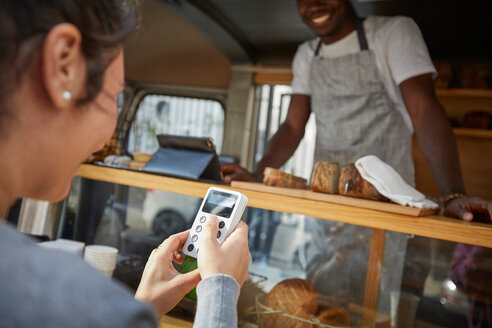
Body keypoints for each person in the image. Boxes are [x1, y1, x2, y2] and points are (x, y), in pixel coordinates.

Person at [221, 0, 492, 310]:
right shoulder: (307, 55)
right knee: (321, 305)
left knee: (373, 307)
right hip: (329, 213)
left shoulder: (393, 33)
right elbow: (292, 127)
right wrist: (259, 174)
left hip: (385, 213)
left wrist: (453, 195)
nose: (314, 4)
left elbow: (423, 110)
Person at [0, 1, 250, 327]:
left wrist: (146, 304)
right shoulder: (66, 303)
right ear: (63, 64)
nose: (107, 138)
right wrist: (221, 288)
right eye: (114, 98)